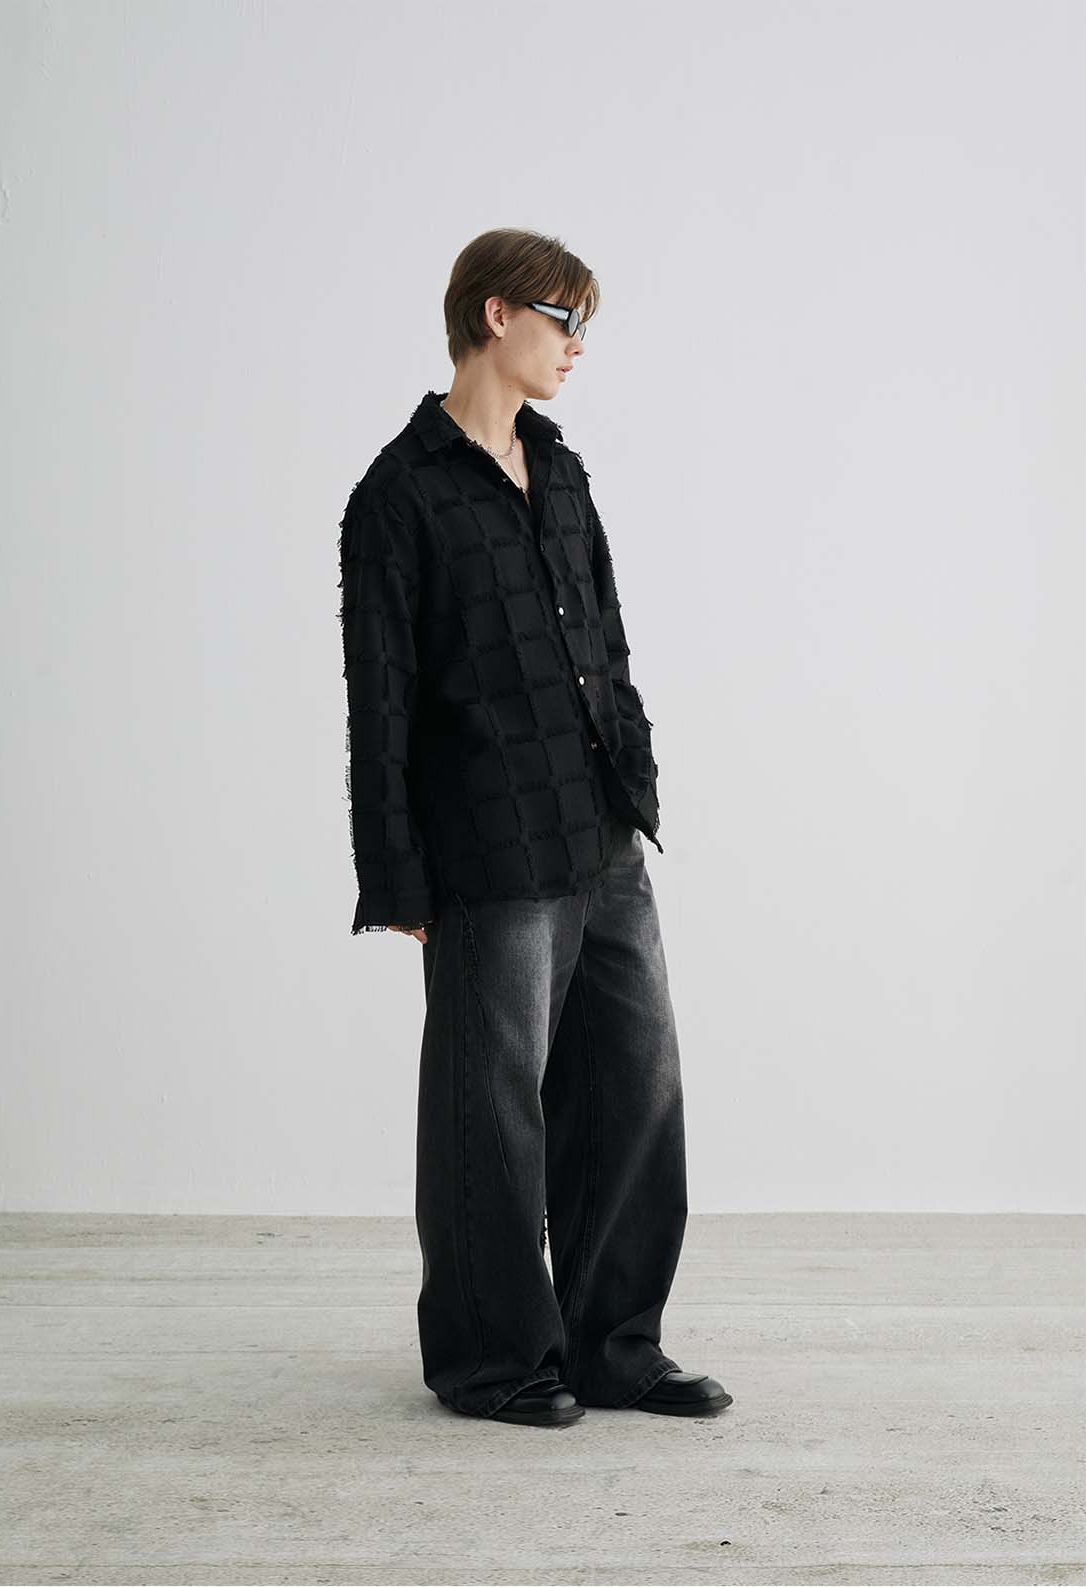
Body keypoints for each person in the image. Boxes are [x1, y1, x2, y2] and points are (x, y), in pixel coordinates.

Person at [337, 227, 732, 1427]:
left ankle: (612, 1346)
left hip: (599, 830)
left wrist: (636, 778)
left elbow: (606, 639)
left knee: (633, 1083)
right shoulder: (397, 495)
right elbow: (381, 702)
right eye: (566, 321)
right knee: (490, 1108)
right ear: (496, 314)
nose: (577, 347)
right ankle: (492, 1360)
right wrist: (396, 876)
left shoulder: (559, 470)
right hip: (488, 850)